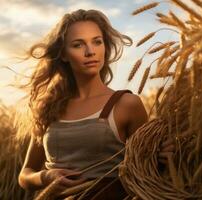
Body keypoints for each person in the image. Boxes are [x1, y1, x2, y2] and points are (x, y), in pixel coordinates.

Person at [17, 9, 174, 199]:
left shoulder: (126, 105)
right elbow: (25, 175)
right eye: (78, 45)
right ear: (64, 55)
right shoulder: (48, 108)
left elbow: (145, 170)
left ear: (105, 47)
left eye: (97, 42)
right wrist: (46, 176)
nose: (90, 51)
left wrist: (163, 158)